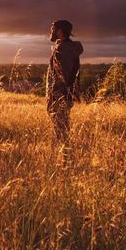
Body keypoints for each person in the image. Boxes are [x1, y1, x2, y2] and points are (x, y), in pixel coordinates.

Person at [46, 20, 84, 165]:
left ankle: (67, 161)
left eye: (53, 28)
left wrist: (57, 94)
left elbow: (64, 76)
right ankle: (65, 159)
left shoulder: (64, 49)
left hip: (60, 94)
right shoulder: (63, 46)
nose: (51, 31)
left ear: (60, 31)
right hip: (61, 94)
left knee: (61, 128)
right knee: (61, 127)